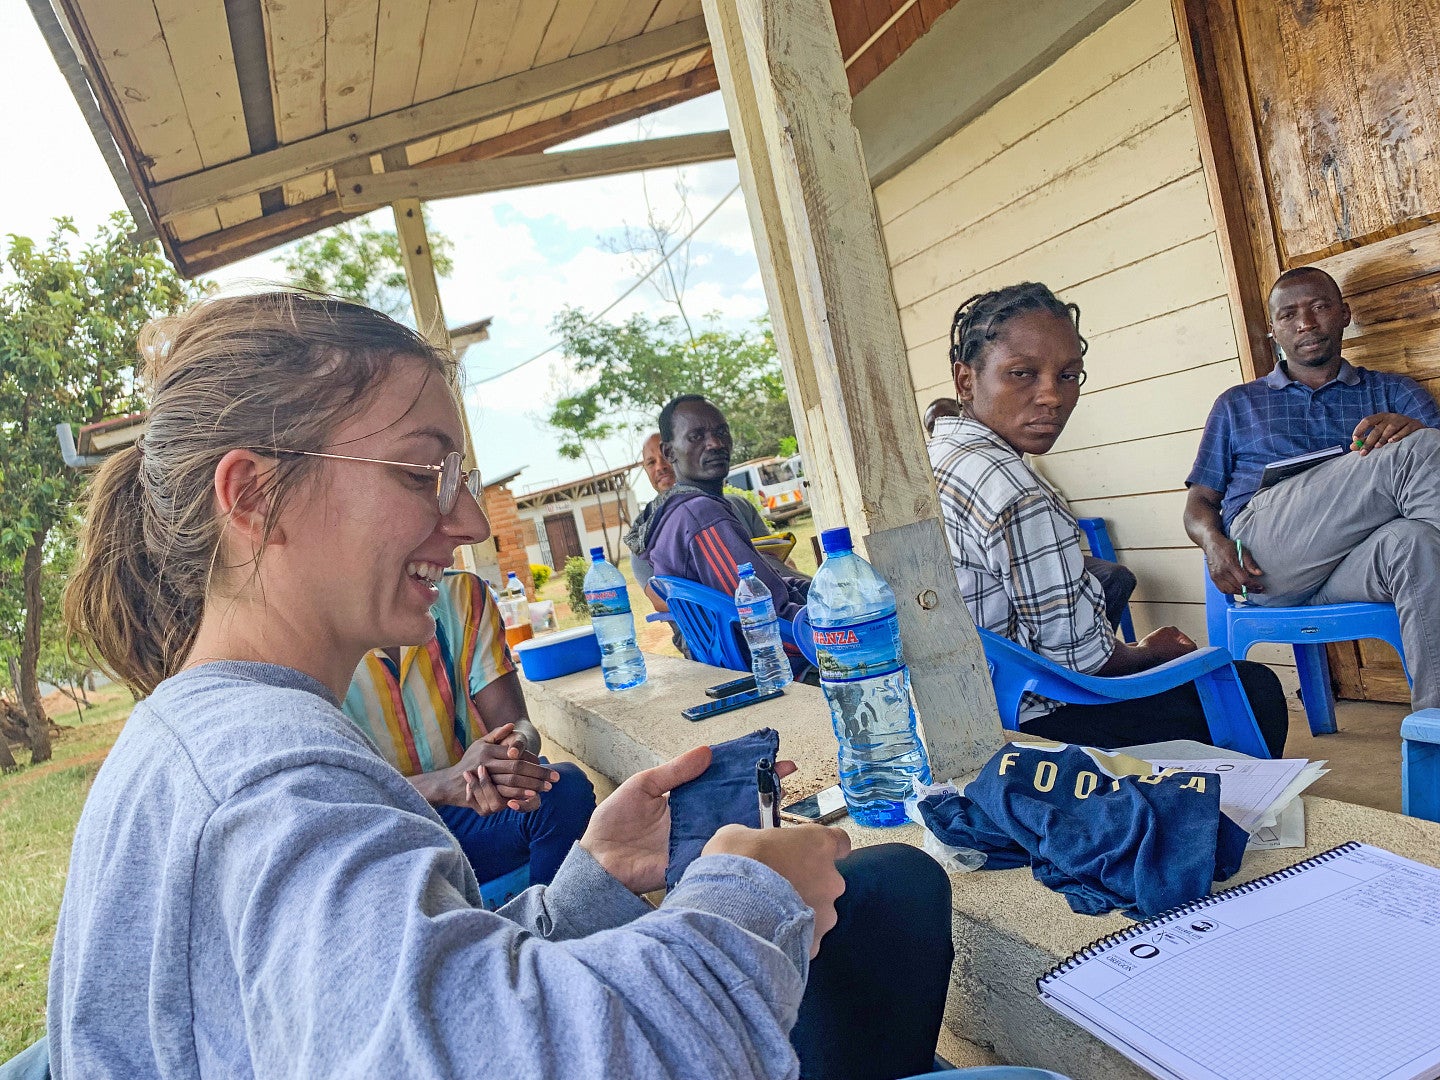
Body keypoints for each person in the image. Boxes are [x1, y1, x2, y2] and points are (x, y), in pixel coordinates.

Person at [52, 292, 952, 1080]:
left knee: (895, 890)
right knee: (895, 897)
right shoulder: (273, 782)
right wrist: (751, 900)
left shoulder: (206, 735)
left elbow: (411, 1001)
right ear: (254, 497)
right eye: (422, 472)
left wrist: (590, 884)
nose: (470, 520)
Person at [930, 282, 1288, 755]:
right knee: (1254, 688)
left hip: (968, 706)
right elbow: (1083, 663)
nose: (1052, 397)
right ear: (966, 380)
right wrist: (1149, 653)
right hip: (1036, 723)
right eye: (1021, 374)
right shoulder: (1014, 491)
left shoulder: (940, 457)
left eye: (1068, 375)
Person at [1185, 265, 1440, 711]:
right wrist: (1213, 544)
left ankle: (1434, 728)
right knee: (1420, 449)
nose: (1306, 323)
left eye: (1320, 307)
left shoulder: (1394, 391)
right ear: (1273, 331)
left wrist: (1413, 428)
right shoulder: (1238, 404)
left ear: (1344, 315)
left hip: (1353, 565)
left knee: (1416, 541)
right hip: (1268, 562)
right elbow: (1199, 502)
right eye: (1289, 315)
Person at [342, 568, 595, 887]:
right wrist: (440, 784)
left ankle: (552, 928)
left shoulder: (463, 594)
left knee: (563, 789)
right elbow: (329, 802)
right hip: (383, 838)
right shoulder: (314, 634)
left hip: (470, 815)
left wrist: (510, 755)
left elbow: (520, 725)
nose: (469, 534)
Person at [634, 396, 811, 622]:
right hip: (774, 649)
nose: (715, 444)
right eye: (696, 436)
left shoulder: (679, 512)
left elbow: (766, 585)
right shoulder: (701, 514)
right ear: (669, 453)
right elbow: (763, 617)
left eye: (721, 432)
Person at [628, 430, 776, 588]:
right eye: (651, 462)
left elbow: (777, 558)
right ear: (645, 470)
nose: (660, 467)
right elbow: (661, 598)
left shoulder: (740, 506)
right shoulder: (644, 539)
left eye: (666, 457)